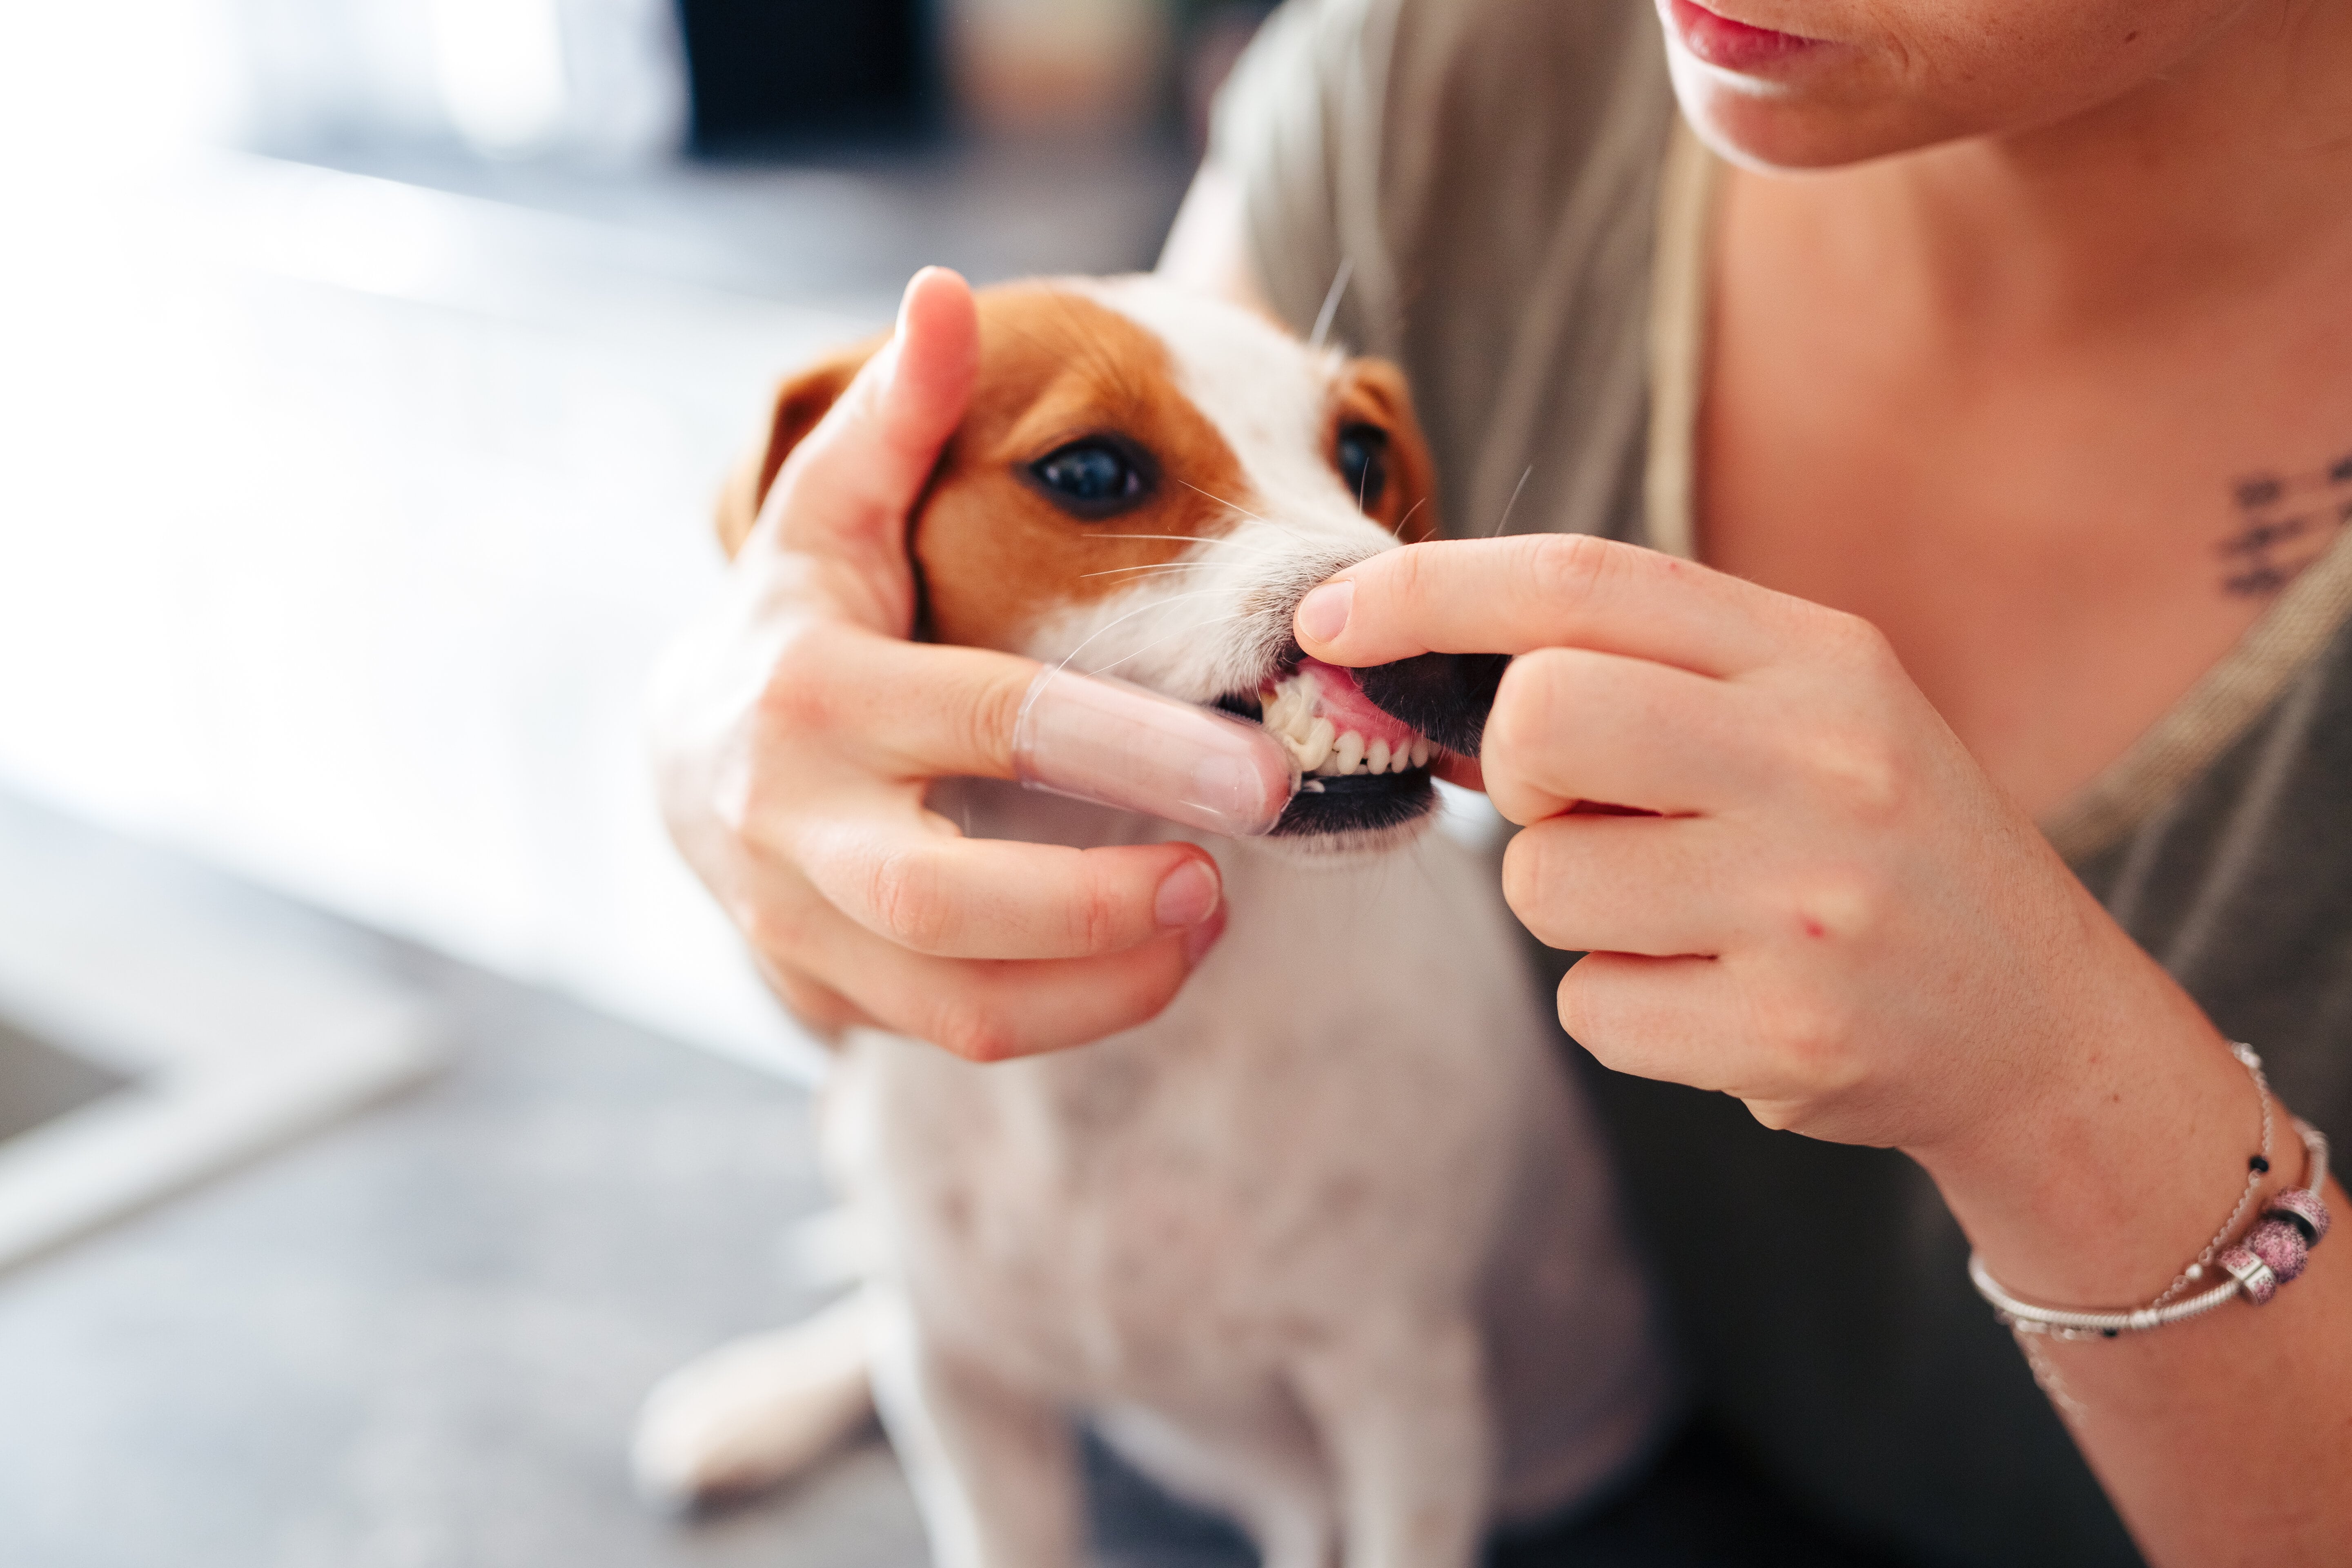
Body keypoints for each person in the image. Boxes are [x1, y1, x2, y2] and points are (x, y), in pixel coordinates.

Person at [647, 0, 2352, 1561]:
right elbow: (1044, 585)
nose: (1345, 554)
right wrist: (733, 762)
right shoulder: (1429, 69)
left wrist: (2054, 1078)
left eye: (1371, 471)